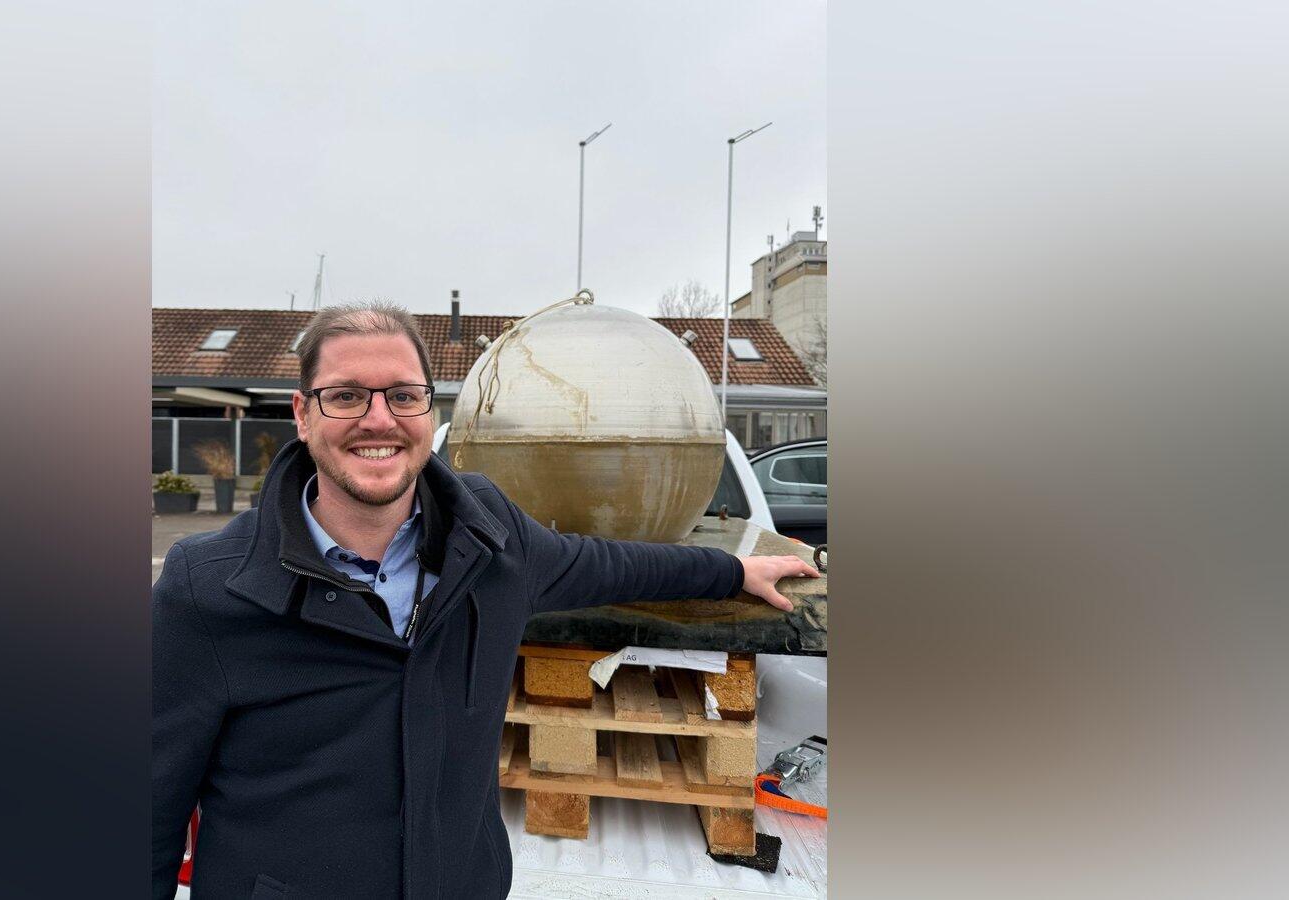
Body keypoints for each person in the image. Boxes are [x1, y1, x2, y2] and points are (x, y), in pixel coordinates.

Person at [152, 302, 819, 899]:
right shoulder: (209, 590)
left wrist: (731, 572)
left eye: (403, 396)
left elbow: (608, 563)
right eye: (346, 396)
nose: (378, 419)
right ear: (302, 414)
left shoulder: (491, 540)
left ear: (430, 414)